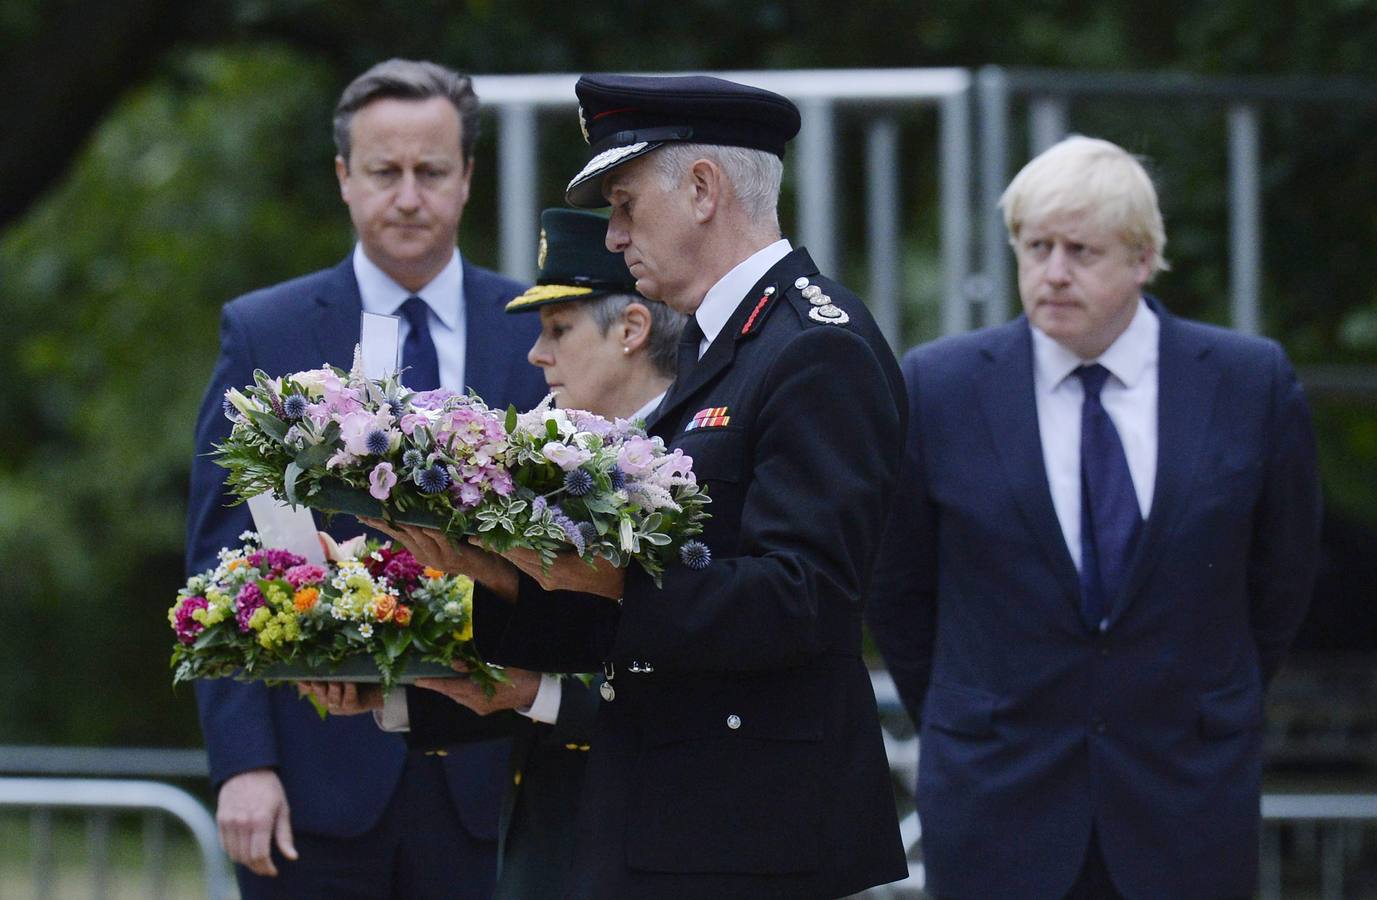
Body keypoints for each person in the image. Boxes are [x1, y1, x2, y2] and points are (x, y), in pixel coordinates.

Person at [379, 73, 910, 899]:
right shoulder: (726, 342)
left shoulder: (811, 346)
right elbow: (642, 607)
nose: (616, 236)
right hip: (676, 817)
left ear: (702, 189)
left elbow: (804, 597)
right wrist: (496, 573)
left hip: (750, 833)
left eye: (626, 204)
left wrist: (610, 579)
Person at [865, 135, 1322, 900]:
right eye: (1034, 246)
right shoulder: (939, 386)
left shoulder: (1247, 384)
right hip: (998, 798)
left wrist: (1199, 698)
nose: (1051, 274)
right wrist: (974, 710)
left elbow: (1279, 579)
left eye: (1080, 250)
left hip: (1184, 795)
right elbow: (897, 585)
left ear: (1142, 259)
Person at [185, 58, 545, 899]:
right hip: (312, 785)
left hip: (495, 781)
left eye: (432, 171)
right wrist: (243, 764)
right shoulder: (265, 331)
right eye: (385, 172)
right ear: (345, 178)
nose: (409, 196)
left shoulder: (540, 329)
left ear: (467, 179)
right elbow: (218, 554)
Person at [310, 205, 686, 899]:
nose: (536, 354)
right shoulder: (557, 461)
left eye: (558, 330)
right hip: (554, 825)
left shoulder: (688, 465)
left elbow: (676, 675)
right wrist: (385, 692)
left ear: (632, 329)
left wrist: (535, 691)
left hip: (658, 835)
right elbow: (545, 643)